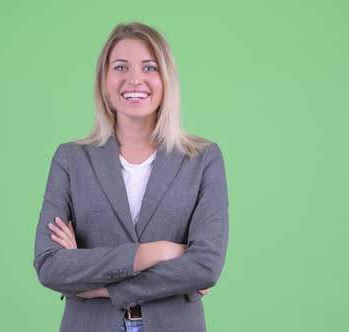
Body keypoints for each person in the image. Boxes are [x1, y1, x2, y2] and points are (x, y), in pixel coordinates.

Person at [33, 22, 229, 332]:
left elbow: (205, 265)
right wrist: (157, 252)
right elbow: (50, 265)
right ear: (104, 80)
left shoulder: (202, 159)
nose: (134, 79)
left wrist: (100, 286)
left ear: (166, 80)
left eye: (149, 67)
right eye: (120, 67)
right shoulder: (71, 160)